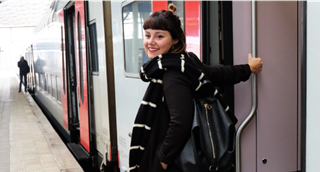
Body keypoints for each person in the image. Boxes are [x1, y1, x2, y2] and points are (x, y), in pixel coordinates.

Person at [129, 4, 263, 172]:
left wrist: (162, 160)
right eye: (147, 35)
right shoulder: (186, 61)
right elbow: (214, 73)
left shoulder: (172, 74)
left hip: (174, 163)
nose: (150, 42)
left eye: (159, 36)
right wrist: (247, 69)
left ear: (175, 39)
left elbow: (180, 124)